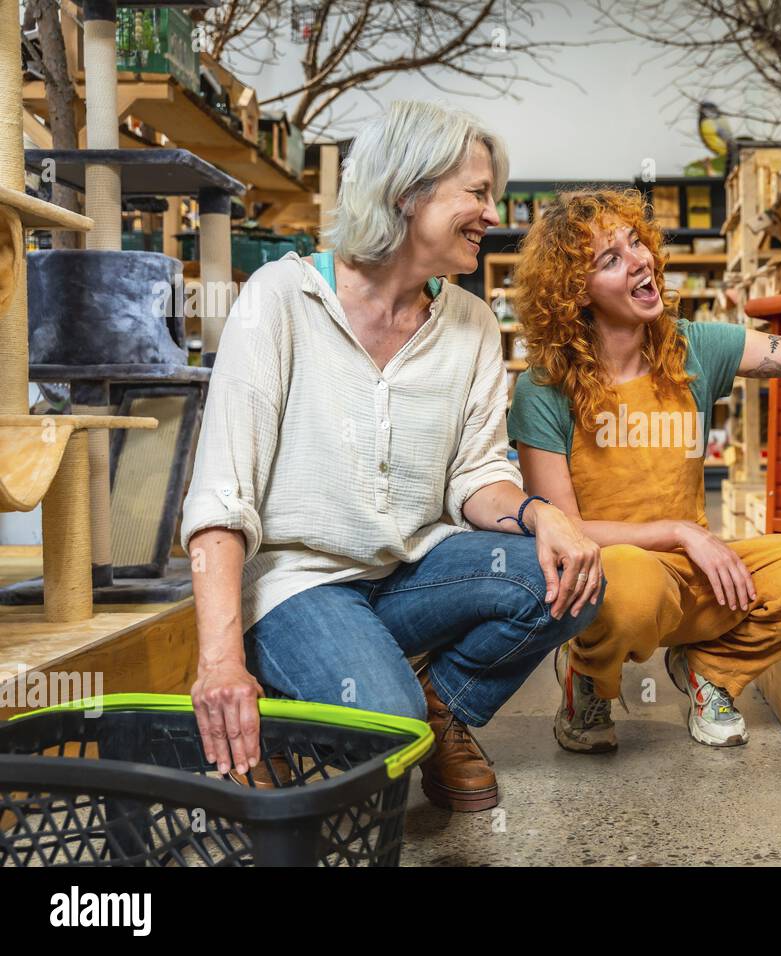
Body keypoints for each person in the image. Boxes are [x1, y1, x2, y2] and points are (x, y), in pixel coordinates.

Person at [180, 102, 604, 812]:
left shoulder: (468, 322)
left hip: (410, 572)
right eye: (476, 193)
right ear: (408, 194)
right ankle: (340, 693)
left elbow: (476, 476)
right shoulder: (280, 300)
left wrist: (541, 516)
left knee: (573, 575)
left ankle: (445, 707)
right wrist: (218, 661)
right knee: (389, 724)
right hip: (298, 585)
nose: (491, 213)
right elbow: (222, 494)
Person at [507, 188, 781, 752]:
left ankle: (711, 672)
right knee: (627, 585)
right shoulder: (543, 390)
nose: (639, 260)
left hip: (699, 577)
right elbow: (562, 531)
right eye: (610, 259)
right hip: (616, 580)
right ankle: (588, 680)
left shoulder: (695, 348)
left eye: (635, 243)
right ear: (576, 293)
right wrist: (679, 533)